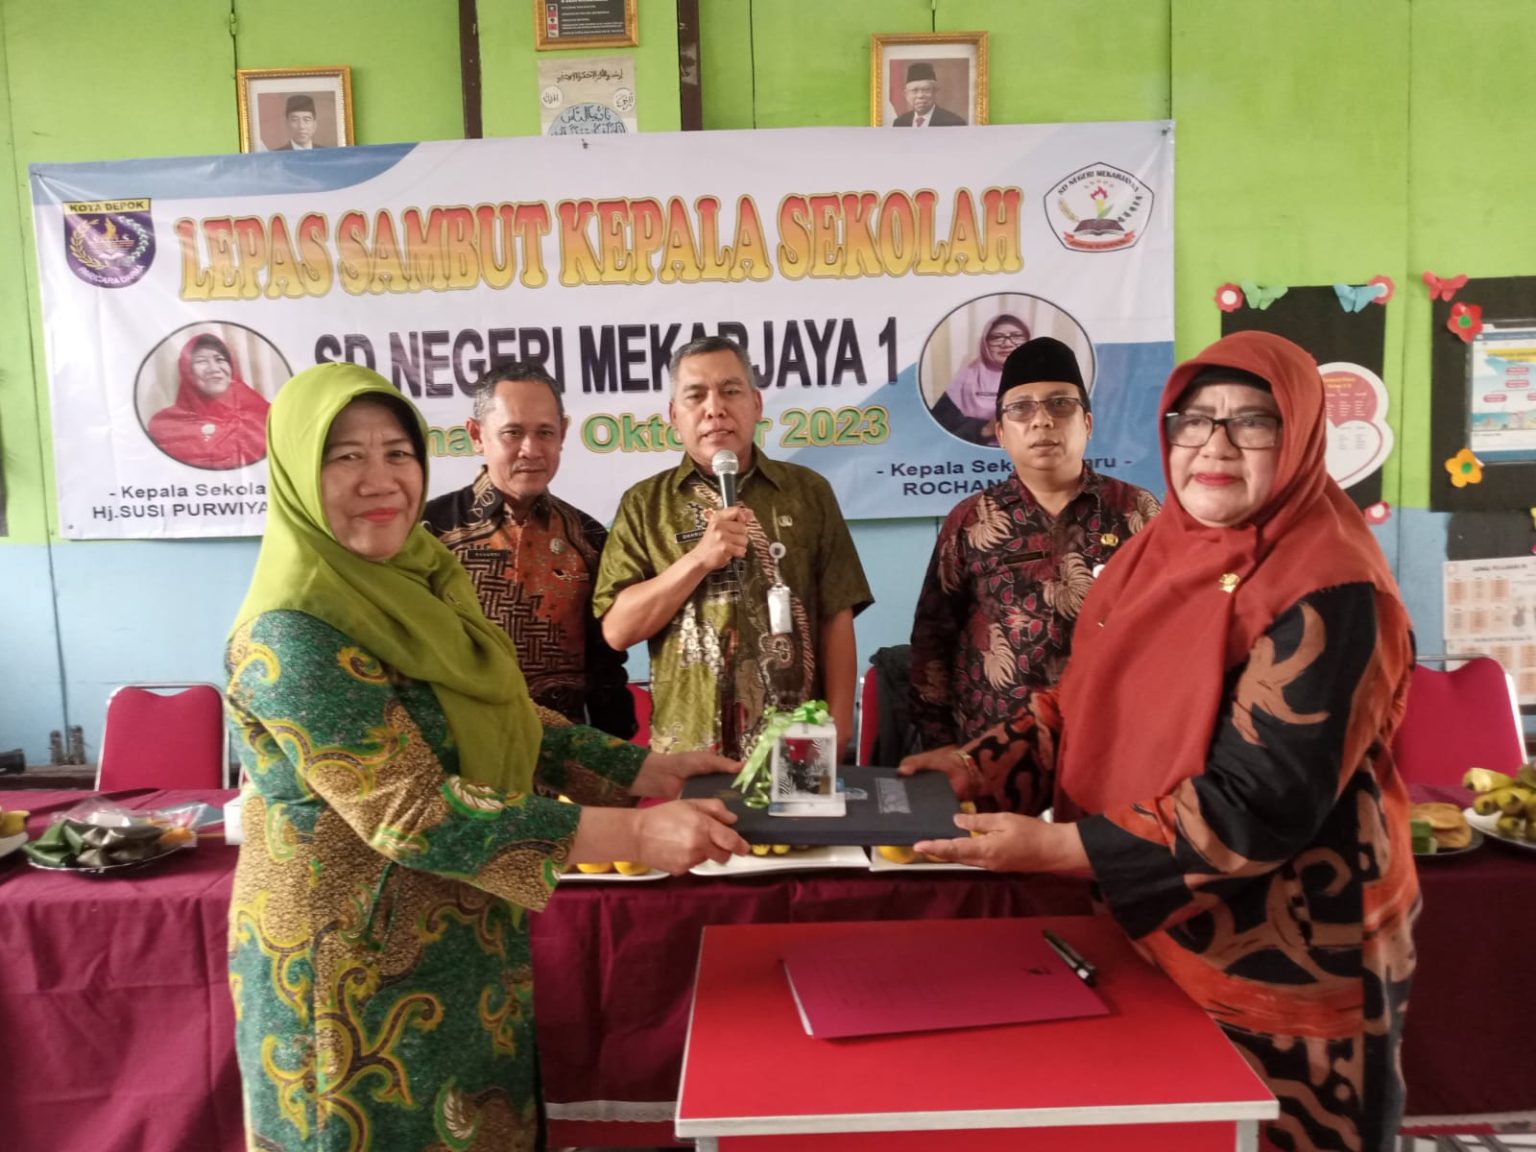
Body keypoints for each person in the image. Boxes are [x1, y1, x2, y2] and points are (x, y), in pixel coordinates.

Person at [903, 331, 1419, 1152]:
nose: (1215, 445)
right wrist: (975, 766)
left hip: (1281, 953)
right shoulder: (1158, 549)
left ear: (1300, 436)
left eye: (1253, 422)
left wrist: (1057, 848)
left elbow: (1257, 804)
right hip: (1147, 923)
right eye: (1195, 421)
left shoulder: (1330, 587)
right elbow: (1077, 704)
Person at [224, 362, 747, 1152]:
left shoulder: (416, 580)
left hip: (465, 943)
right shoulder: (290, 633)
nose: (380, 480)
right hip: (353, 977)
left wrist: (641, 769)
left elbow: (501, 713)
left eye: (397, 454)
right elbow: (412, 812)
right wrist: (635, 833)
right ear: (297, 471)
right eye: (345, 457)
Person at [594, 335, 873, 761]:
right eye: (696, 396)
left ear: (756, 404)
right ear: (674, 415)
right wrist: (699, 559)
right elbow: (617, 631)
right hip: (689, 747)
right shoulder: (645, 505)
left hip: (797, 736)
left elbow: (837, 611)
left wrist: (838, 724)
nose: (715, 409)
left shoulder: (807, 492)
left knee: (800, 811)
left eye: (730, 391)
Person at [910, 336, 1160, 753]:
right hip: (995, 752)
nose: (1042, 421)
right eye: (1021, 408)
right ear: (1001, 433)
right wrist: (943, 749)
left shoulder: (1138, 511)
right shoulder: (971, 521)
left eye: (1060, 404)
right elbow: (931, 643)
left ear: (1088, 423)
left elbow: (1169, 629)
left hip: (1113, 745)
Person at [423, 361, 637, 739]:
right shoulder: (429, 533)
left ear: (562, 434)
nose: (531, 449)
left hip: (568, 754)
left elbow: (606, 666)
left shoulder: (588, 537)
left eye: (545, 432)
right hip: (460, 749)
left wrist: (618, 754)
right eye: (513, 432)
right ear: (476, 435)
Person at [145, 331, 270, 469]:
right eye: (201, 361)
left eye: (220, 359)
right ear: (187, 371)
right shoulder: (164, 426)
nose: (214, 369)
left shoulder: (262, 416)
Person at [929, 313, 1029, 444]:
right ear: (985, 342)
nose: (1007, 343)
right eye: (997, 337)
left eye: (1017, 336)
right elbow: (937, 432)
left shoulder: (1043, 378)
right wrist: (985, 429)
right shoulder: (966, 378)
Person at [891, 62, 967, 127]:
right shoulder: (899, 123)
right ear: (906, 95)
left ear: (935, 92)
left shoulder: (954, 122)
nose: (920, 96)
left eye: (926, 90)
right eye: (914, 90)